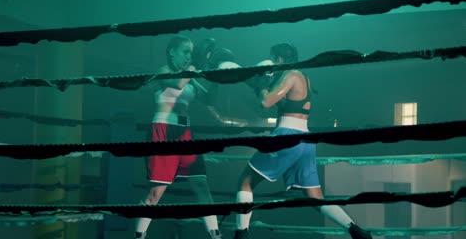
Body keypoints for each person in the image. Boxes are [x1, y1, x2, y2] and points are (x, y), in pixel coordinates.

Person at [234, 42, 372, 239]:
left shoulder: (291, 76)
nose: (272, 63)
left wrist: (263, 85)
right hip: (305, 141)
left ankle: (241, 233)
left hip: (287, 137)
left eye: (273, 59)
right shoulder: (302, 78)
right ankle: (355, 230)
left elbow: (266, 102)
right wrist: (255, 82)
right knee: (315, 198)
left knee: (245, 181)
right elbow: (274, 97)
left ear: (279, 59)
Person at [134, 35, 222, 239]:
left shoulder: (189, 76)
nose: (188, 56)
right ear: (172, 52)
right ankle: (139, 235)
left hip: (185, 134)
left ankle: (215, 235)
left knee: (201, 184)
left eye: (191, 52)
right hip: (164, 131)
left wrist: (216, 76)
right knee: (156, 193)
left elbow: (209, 98)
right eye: (185, 52)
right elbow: (179, 84)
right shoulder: (163, 72)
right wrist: (194, 66)